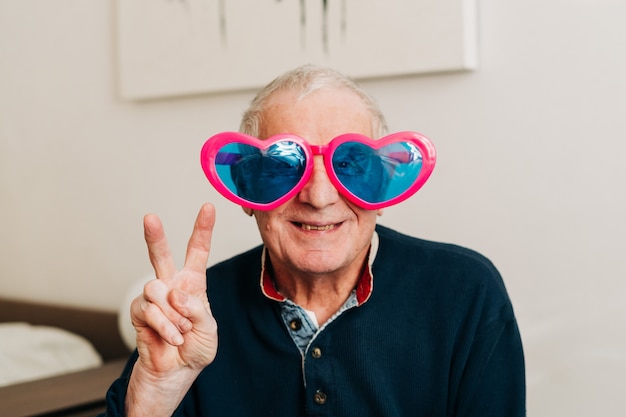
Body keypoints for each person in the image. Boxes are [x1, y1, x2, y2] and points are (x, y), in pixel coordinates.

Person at [101, 65, 525, 416]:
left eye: (352, 165)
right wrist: (154, 394)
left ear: (383, 190)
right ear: (248, 191)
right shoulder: (191, 315)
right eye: (286, 165)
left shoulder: (465, 292)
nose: (319, 197)